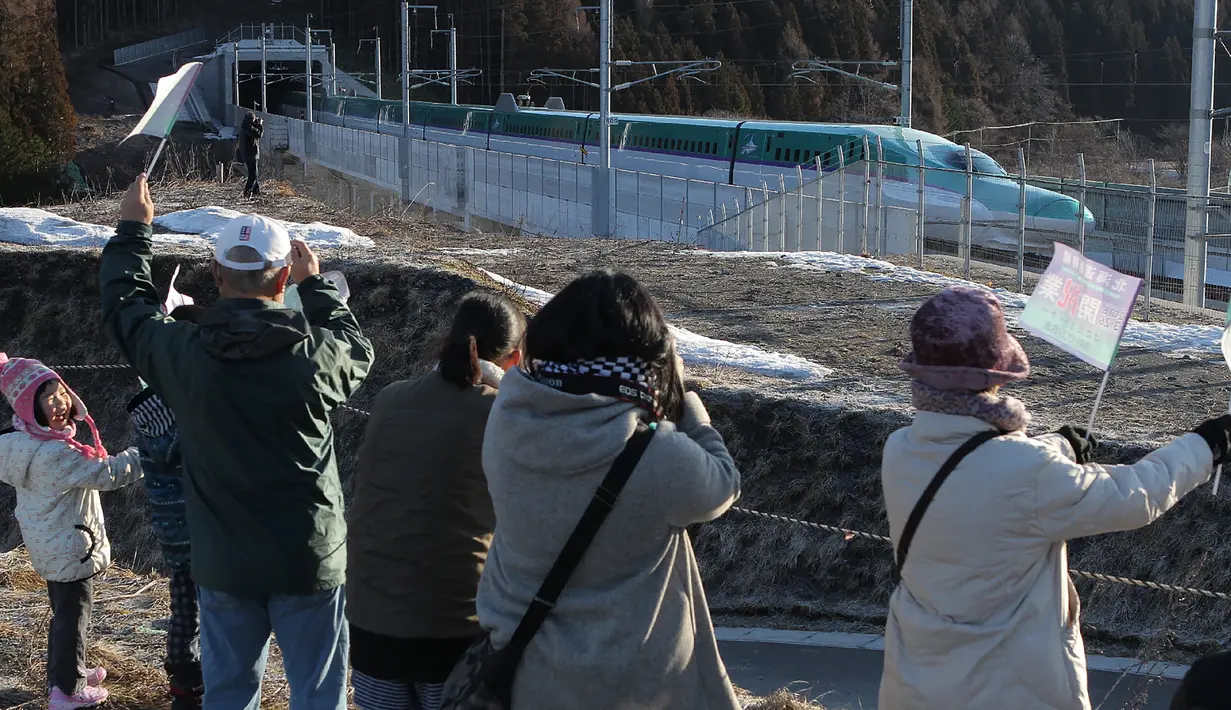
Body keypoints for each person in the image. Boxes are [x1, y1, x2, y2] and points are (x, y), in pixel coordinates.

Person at [878, 286, 1231, 710]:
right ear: (996, 372)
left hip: (917, 681)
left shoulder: (901, 449)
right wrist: (1204, 445)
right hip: (1005, 689)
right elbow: (1132, 496)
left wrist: (1059, 446)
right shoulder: (1025, 472)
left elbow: (980, 464)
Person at [99, 174, 375, 710]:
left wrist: (135, 229)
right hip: (308, 556)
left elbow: (127, 307)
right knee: (320, 696)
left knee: (227, 694)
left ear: (218, 275)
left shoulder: (182, 354)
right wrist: (316, 285)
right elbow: (354, 346)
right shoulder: (314, 359)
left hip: (224, 560)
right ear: (281, 283)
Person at [473, 270, 743, 710]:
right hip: (635, 688)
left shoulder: (508, 416)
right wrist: (690, 406)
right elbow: (722, 484)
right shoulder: (655, 455)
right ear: (644, 363)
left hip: (530, 677)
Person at [348, 292, 526, 710]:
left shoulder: (391, 398)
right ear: (515, 359)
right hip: (457, 630)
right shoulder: (504, 415)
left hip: (373, 624)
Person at [0, 355, 144, 710]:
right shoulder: (56, 454)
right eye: (45, 397)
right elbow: (111, 473)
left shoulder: (20, 444)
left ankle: (69, 671)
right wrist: (150, 453)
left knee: (65, 614)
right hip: (71, 547)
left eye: (60, 391)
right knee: (73, 619)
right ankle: (67, 690)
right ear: (29, 409)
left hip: (50, 546)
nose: (59, 402)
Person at [125, 304, 208, 710]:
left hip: (172, 529)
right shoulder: (185, 410)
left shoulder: (149, 408)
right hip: (203, 527)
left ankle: (180, 674)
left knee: (182, 604)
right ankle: (205, 677)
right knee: (210, 607)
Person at [239, 111, 264, 198]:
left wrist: (256, 124)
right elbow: (259, 134)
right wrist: (260, 124)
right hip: (251, 154)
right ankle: (247, 193)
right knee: (253, 175)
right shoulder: (248, 127)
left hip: (247, 153)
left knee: (254, 173)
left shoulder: (245, 126)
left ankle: (256, 192)